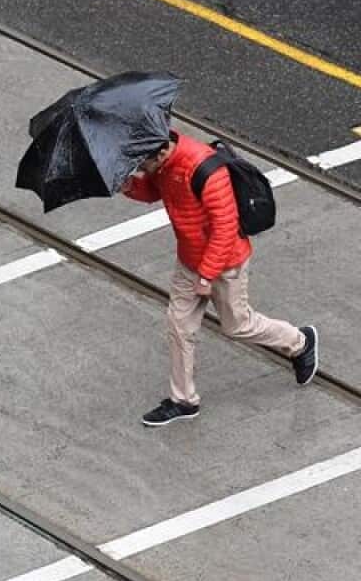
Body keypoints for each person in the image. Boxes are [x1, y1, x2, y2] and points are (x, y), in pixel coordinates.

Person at [122, 131, 318, 427]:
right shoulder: (162, 165)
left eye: (141, 165)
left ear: (160, 154)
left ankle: (300, 342)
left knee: (237, 325)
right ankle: (183, 400)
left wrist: (207, 274)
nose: (141, 170)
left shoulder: (205, 170)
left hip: (224, 264)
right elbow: (152, 190)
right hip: (189, 259)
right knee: (179, 325)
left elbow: (225, 228)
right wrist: (127, 186)